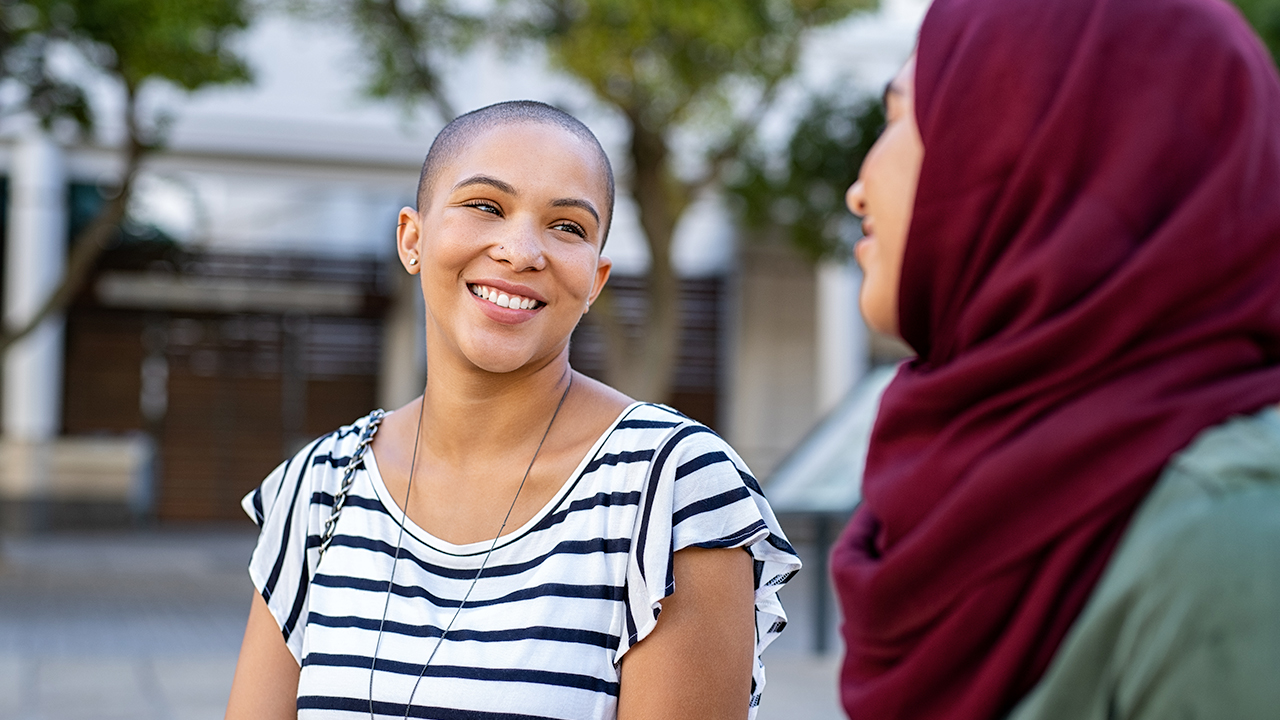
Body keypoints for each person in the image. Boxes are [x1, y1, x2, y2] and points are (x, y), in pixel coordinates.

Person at [224, 100, 800, 720]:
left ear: (596, 280)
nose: (522, 250)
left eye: (568, 227)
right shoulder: (320, 485)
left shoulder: (672, 489)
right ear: (412, 239)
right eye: (485, 206)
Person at [834, 0, 1280, 718]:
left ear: (1024, 146)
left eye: (899, 116)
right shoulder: (935, 489)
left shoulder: (1236, 534)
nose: (858, 188)